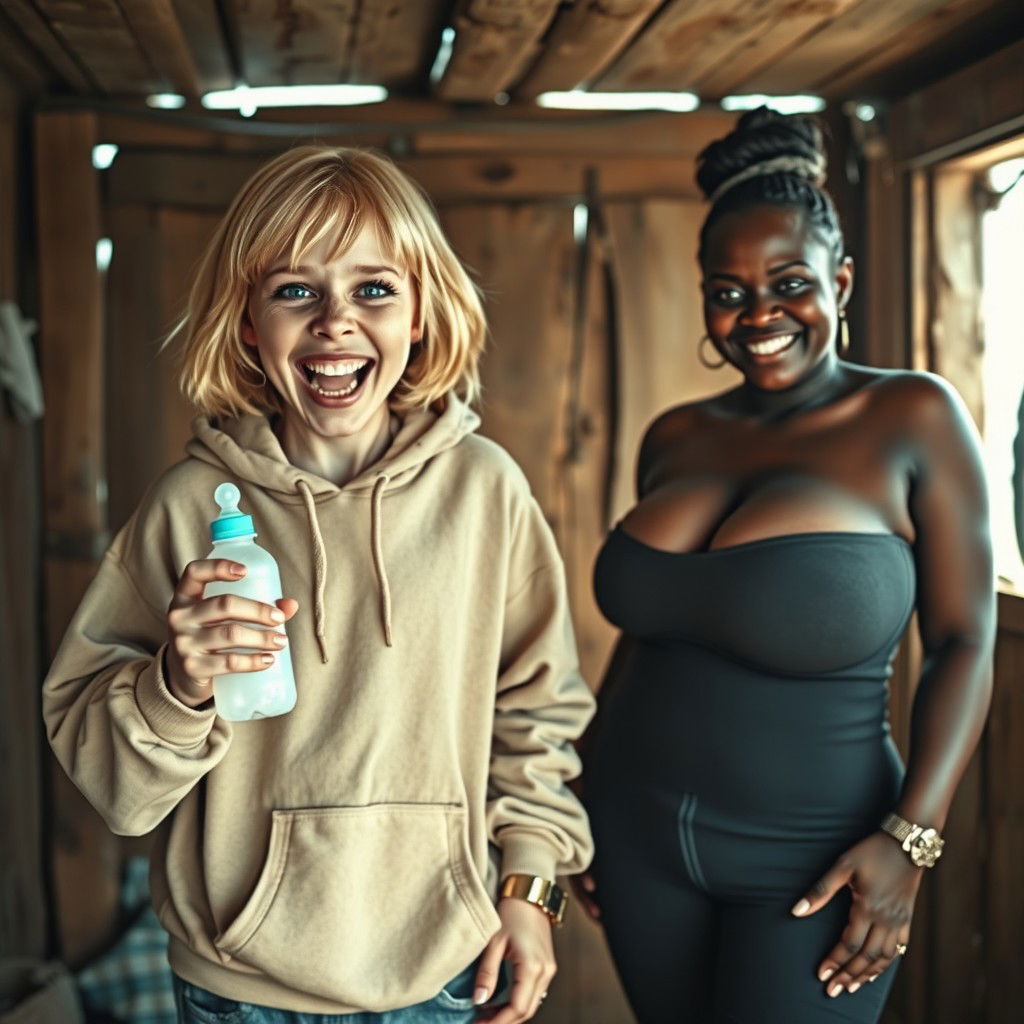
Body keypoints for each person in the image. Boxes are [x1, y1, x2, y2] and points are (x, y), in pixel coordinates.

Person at [42, 146, 595, 1024]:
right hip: (239, 986)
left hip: (444, 965)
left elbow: (537, 710)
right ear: (249, 323)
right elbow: (114, 787)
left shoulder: (487, 492)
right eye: (296, 290)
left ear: (420, 315)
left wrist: (531, 885)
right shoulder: (189, 507)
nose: (336, 323)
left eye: (374, 289)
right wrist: (177, 684)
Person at [574, 108, 994, 1023]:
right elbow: (647, 635)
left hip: (817, 855)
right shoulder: (677, 437)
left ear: (839, 282)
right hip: (636, 834)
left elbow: (965, 641)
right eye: (727, 291)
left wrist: (911, 838)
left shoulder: (913, 418)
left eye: (789, 283)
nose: (758, 315)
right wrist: (581, 793)